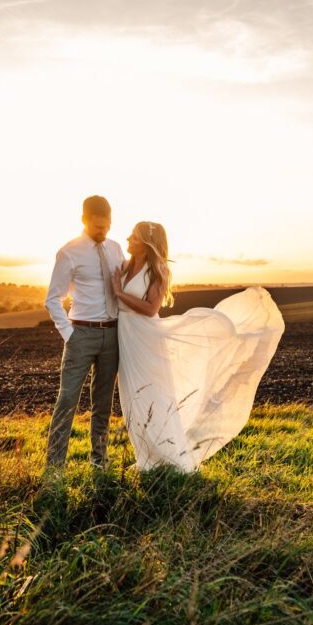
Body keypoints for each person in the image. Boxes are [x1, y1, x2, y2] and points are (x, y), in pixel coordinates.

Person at [112, 221, 284, 472]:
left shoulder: (157, 270)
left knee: (152, 395)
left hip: (146, 337)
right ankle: (146, 457)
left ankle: (169, 457)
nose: (128, 239)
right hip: (127, 337)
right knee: (131, 397)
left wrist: (119, 292)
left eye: (134, 237)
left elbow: (151, 309)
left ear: (146, 244)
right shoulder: (126, 266)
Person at [44, 195, 126, 470]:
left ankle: (99, 462)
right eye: (97, 227)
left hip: (112, 335)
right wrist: (70, 334)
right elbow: (52, 299)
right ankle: (55, 466)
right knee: (67, 399)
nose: (103, 232)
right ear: (84, 220)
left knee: (103, 403)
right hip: (81, 334)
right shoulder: (68, 252)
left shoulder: (116, 249)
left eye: (107, 227)